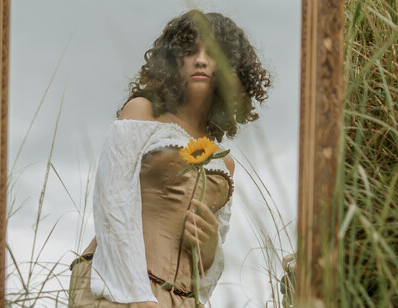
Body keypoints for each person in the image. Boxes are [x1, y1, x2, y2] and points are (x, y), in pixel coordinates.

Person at [69, 9, 271, 308]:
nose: (200, 60)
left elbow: (205, 267)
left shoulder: (224, 162)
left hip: (183, 301)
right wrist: (138, 298)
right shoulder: (142, 113)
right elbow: (111, 205)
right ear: (174, 60)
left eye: (212, 53)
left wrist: (211, 246)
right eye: (190, 51)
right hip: (117, 287)